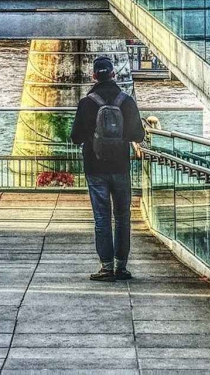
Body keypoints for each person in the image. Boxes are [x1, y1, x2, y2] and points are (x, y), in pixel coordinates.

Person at [70, 55, 145, 281]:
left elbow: (75, 138)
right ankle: (122, 267)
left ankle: (106, 267)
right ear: (113, 74)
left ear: (94, 76)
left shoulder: (87, 103)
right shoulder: (126, 101)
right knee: (123, 217)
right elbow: (138, 135)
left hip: (95, 168)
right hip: (121, 166)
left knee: (102, 218)